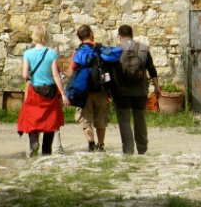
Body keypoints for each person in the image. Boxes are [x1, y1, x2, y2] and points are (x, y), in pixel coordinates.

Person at [17, 25, 70, 157]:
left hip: (35, 89)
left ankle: (34, 141)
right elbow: (56, 75)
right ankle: (46, 151)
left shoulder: (27, 54)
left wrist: (32, 74)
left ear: (34, 36)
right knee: (50, 121)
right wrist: (63, 94)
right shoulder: (51, 53)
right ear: (46, 37)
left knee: (32, 118)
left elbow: (24, 75)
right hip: (50, 90)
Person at [113, 24, 161, 155]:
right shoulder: (144, 49)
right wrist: (157, 87)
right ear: (132, 35)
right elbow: (152, 69)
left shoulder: (115, 50)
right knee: (140, 118)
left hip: (122, 91)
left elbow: (111, 73)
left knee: (124, 120)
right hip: (140, 91)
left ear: (120, 36)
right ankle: (142, 149)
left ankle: (128, 150)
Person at [67, 25, 112, 152]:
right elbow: (109, 66)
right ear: (91, 34)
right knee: (101, 117)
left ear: (80, 38)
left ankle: (91, 144)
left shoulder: (78, 52)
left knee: (84, 117)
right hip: (101, 89)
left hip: (84, 90)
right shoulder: (102, 49)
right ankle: (101, 145)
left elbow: (71, 72)